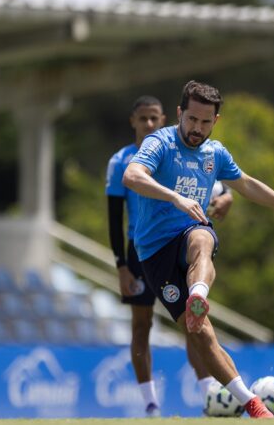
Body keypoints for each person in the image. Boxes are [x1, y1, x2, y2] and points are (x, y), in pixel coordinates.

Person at [123, 80, 274, 419]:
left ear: (216, 120)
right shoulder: (161, 142)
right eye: (191, 120)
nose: (197, 129)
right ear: (179, 113)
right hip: (153, 252)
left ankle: (198, 293)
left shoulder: (215, 154)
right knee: (200, 333)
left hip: (190, 234)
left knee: (202, 237)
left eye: (205, 122)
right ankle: (249, 399)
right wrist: (175, 197)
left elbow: (246, 184)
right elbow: (132, 174)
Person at [106, 95, 234, 417]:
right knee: (141, 326)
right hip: (141, 252)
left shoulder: (177, 150)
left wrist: (228, 198)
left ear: (164, 119)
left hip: (176, 242)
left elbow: (218, 185)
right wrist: (121, 264)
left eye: (154, 118)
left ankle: (211, 397)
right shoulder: (122, 161)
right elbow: (113, 216)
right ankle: (150, 404)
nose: (149, 123)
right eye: (143, 118)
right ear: (133, 121)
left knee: (193, 322)